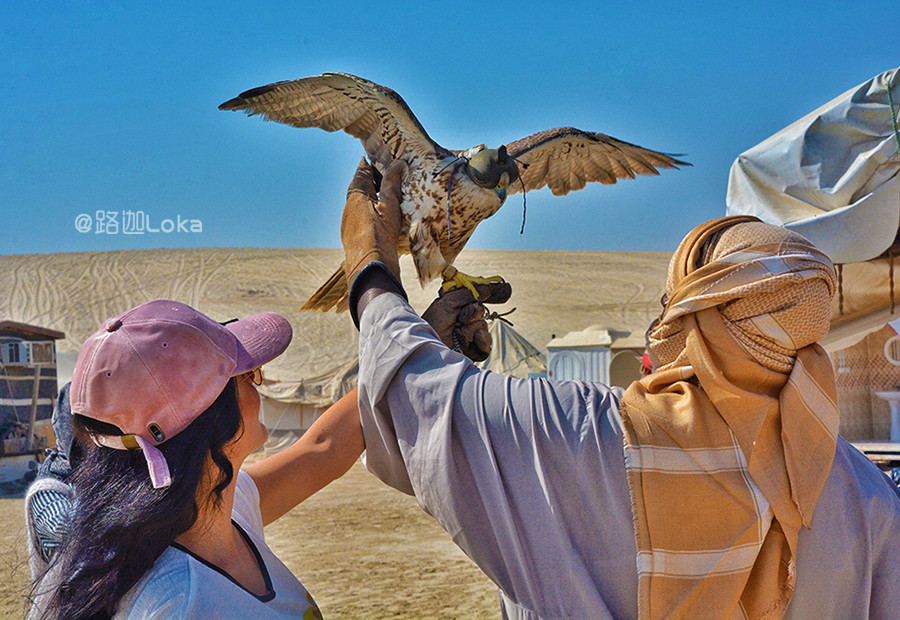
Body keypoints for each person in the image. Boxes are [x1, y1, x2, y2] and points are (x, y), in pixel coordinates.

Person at [339, 157, 900, 619]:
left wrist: (368, 263)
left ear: (690, 316)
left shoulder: (580, 433)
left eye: (673, 296)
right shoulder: (866, 497)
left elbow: (420, 396)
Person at [28, 300, 365, 619]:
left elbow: (325, 448)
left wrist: (402, 341)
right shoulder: (180, 603)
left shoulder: (216, 511)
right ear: (211, 419)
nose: (257, 388)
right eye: (248, 377)